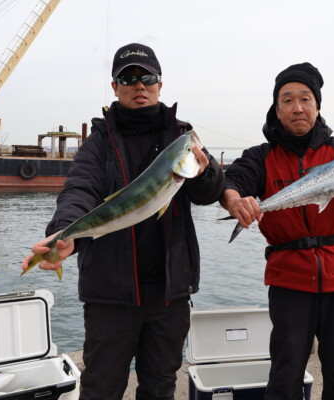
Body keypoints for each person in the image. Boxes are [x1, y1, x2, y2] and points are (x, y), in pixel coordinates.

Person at [22, 43, 225, 400]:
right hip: (110, 295)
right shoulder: (98, 143)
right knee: (102, 387)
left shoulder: (183, 139)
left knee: (161, 387)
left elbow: (208, 193)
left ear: (160, 84)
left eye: (147, 77)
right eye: (127, 78)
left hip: (168, 293)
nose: (139, 85)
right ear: (114, 87)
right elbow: (79, 190)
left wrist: (207, 174)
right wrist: (66, 232)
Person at [220, 62, 334, 400]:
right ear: (277, 110)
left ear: (317, 106)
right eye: (287, 100)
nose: (297, 107)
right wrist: (235, 201)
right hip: (289, 279)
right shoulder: (260, 157)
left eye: (305, 99)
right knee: (284, 375)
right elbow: (232, 181)